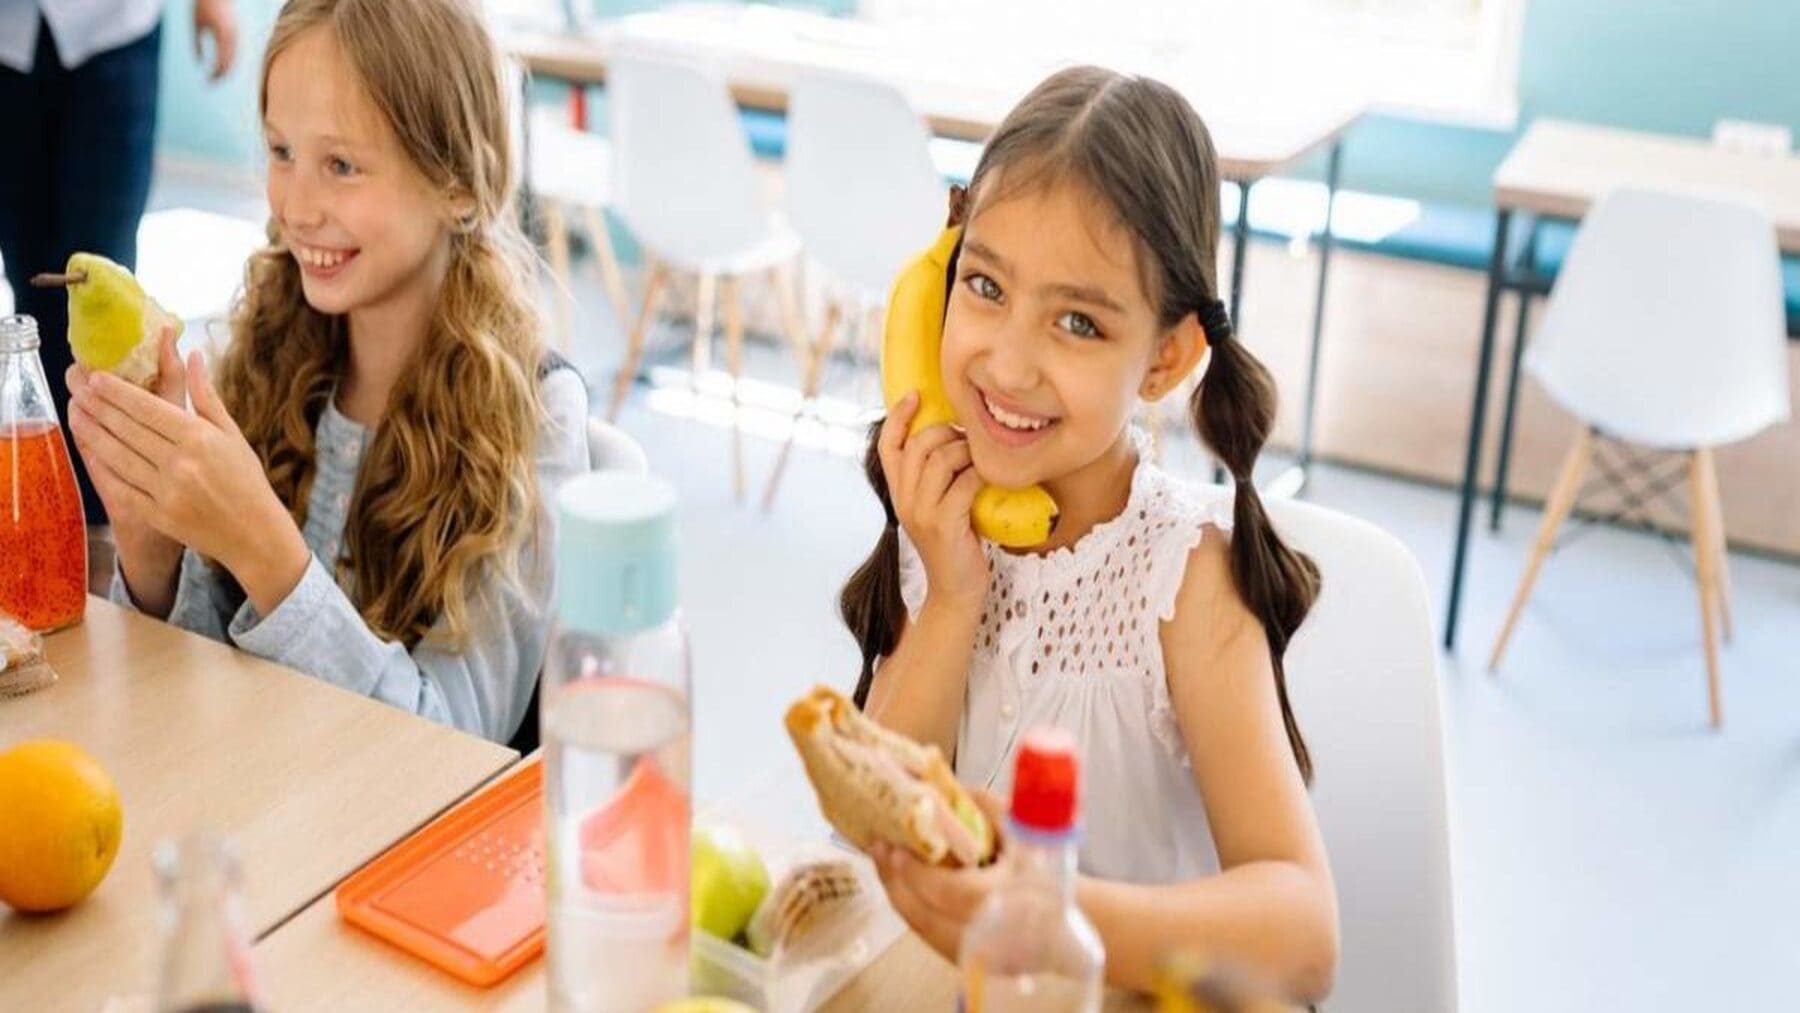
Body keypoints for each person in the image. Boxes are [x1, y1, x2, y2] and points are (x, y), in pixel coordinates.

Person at [838, 67, 1340, 1000]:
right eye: (983, 285)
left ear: (1165, 357)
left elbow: (1305, 934)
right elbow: (872, 842)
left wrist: (1046, 904)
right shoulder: (943, 522)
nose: (1007, 359)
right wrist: (951, 596)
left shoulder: (1183, 577)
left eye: (1077, 320)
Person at [65, 0, 587, 744]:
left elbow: (453, 748)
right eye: (282, 153)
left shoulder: (538, 418)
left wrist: (264, 548)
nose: (297, 207)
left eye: (341, 165)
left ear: (459, 183)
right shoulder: (264, 350)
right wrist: (153, 552)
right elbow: (205, 700)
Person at [0, 0, 240, 525]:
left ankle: (108, 512)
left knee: (102, 281)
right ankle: (43, 507)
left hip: (114, 30)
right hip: (9, 44)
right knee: (29, 284)